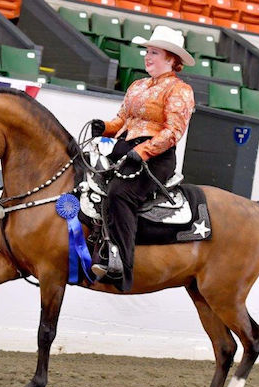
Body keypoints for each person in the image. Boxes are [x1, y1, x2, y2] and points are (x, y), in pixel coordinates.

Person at [89, 25, 196, 291]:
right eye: (147, 52)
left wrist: (143, 151)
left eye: (154, 53)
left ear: (171, 59)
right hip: (125, 150)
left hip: (155, 157)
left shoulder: (179, 90)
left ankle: (121, 265)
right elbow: (123, 120)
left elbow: (173, 132)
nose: (147, 57)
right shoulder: (137, 86)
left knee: (119, 194)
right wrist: (104, 126)